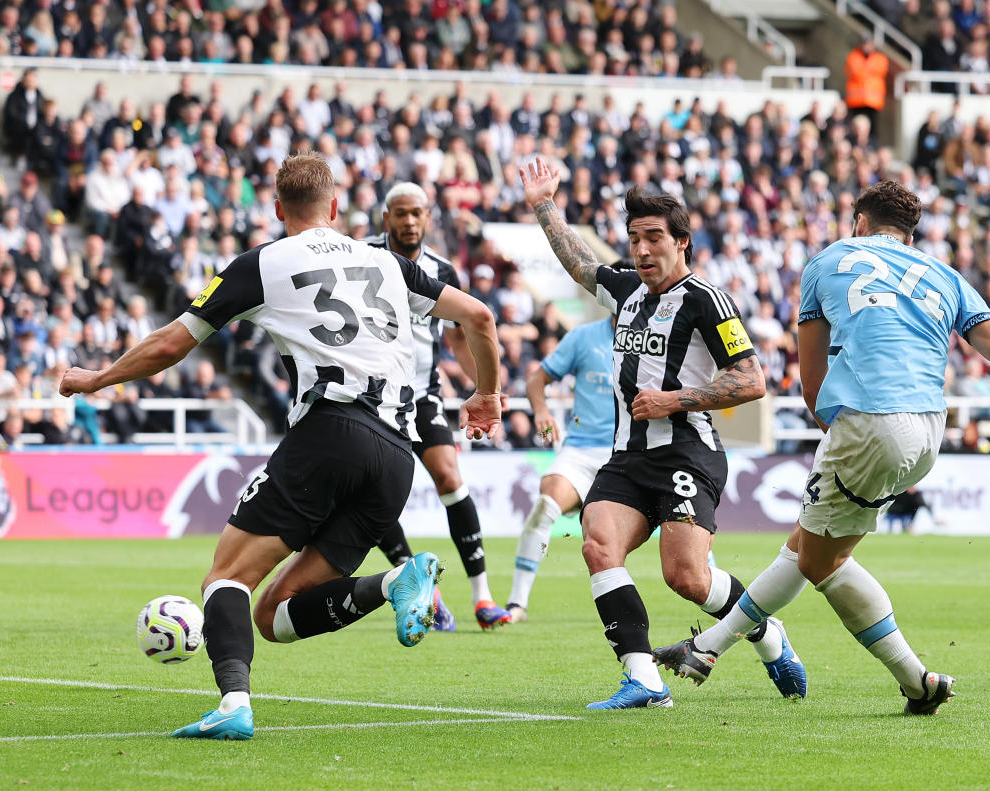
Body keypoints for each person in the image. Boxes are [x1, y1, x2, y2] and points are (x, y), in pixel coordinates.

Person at [59, 154, 503, 740]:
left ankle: (234, 705)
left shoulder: (261, 263)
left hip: (330, 434)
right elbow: (478, 315)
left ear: (276, 209)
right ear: (336, 208)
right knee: (276, 615)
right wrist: (488, 395)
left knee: (226, 579)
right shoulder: (387, 262)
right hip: (397, 456)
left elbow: (171, 345)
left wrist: (97, 379)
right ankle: (397, 581)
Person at [654, 180, 990, 715]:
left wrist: (840, 431)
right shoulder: (945, 275)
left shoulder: (827, 261)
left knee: (818, 561)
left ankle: (708, 651)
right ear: (908, 232)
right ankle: (916, 685)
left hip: (869, 423)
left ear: (859, 220)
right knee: (816, 550)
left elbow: (812, 383)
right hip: (928, 431)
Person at [520, 157, 806, 710]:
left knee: (688, 578)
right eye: (634, 239)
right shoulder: (625, 292)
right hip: (627, 455)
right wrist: (543, 205)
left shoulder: (707, 301)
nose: (642, 250)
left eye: (654, 238)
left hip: (687, 452)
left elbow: (752, 380)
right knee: (599, 544)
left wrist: (673, 400)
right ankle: (644, 680)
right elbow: (580, 264)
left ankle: (768, 636)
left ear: (681, 244)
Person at [366, 182, 513, 631]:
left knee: (450, 477)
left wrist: (485, 390)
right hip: (371, 397)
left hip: (421, 395)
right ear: (387, 217)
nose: (409, 221)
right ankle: (421, 588)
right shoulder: (365, 258)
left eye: (417, 213)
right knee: (374, 497)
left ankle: (482, 597)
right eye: (401, 213)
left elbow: (457, 337)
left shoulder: (442, 268)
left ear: (428, 216)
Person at [505, 315, 615, 622]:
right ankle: (517, 604)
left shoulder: (656, 336)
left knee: (678, 520)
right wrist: (541, 411)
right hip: (581, 448)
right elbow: (536, 379)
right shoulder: (584, 336)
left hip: (631, 452)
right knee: (546, 503)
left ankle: (718, 597)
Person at [844, 34, 888, 133]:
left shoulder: (880, 58)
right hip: (856, 100)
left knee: (872, 126)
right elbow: (853, 71)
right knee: (855, 125)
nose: (866, 46)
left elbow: (881, 70)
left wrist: (863, 70)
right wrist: (869, 71)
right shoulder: (853, 56)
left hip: (873, 101)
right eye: (864, 43)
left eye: (868, 44)